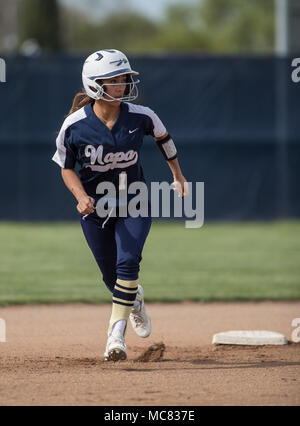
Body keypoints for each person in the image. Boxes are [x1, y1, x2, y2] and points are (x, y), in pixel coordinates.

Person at [52, 49, 187, 361]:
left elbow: (164, 138)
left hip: (134, 201)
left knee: (128, 263)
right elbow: (65, 167)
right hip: (95, 208)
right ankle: (134, 299)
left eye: (125, 78)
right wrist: (80, 197)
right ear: (95, 84)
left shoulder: (141, 115)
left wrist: (178, 176)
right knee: (111, 277)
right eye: (115, 80)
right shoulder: (74, 125)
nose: (124, 84)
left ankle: (116, 336)